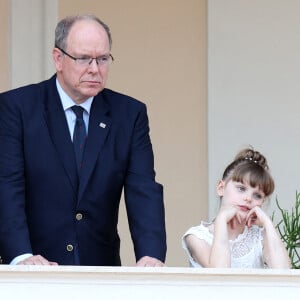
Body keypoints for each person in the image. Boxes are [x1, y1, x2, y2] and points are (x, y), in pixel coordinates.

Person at [0, 14, 166, 267]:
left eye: (102, 59)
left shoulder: (129, 114)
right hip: (34, 266)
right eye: (83, 59)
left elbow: (143, 189)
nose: (95, 69)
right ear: (58, 58)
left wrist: (150, 255)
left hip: (99, 268)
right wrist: (21, 255)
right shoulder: (17, 108)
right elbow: (7, 186)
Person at [182, 148, 291, 268]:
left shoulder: (260, 237)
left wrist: (268, 223)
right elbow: (220, 274)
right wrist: (221, 220)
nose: (249, 198)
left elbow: (285, 274)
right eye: (241, 189)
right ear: (221, 188)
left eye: (257, 195)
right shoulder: (196, 236)